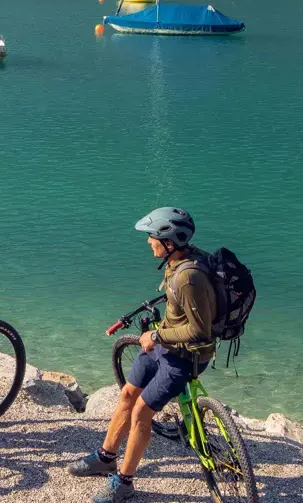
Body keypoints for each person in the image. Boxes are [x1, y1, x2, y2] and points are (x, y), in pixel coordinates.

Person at [67, 207, 217, 503]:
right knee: (126, 395)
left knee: (141, 413)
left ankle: (124, 483)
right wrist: (158, 335)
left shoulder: (188, 276)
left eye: (153, 237)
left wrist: (157, 335)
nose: (149, 242)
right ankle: (105, 457)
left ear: (170, 242)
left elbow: (200, 331)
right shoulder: (177, 262)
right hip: (164, 346)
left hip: (185, 356)